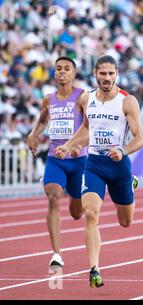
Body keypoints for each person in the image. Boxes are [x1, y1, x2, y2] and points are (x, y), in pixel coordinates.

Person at [55, 55, 143, 287]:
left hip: (119, 166)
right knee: (91, 214)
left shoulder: (127, 101)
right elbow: (87, 128)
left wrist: (123, 151)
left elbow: (140, 138)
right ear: (95, 73)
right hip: (94, 164)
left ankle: (130, 185)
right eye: (103, 73)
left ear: (117, 74)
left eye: (111, 74)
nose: (107, 78)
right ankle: (94, 268)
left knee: (125, 221)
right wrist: (69, 145)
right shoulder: (87, 98)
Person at [27, 56, 86, 269]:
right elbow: (43, 120)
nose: (62, 72)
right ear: (54, 73)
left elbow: (90, 126)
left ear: (73, 73)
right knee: (53, 196)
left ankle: (74, 194)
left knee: (77, 213)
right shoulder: (49, 99)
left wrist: (77, 145)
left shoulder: (82, 97)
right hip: (55, 159)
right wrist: (33, 134)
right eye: (58, 68)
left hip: (79, 161)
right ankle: (56, 254)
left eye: (67, 69)